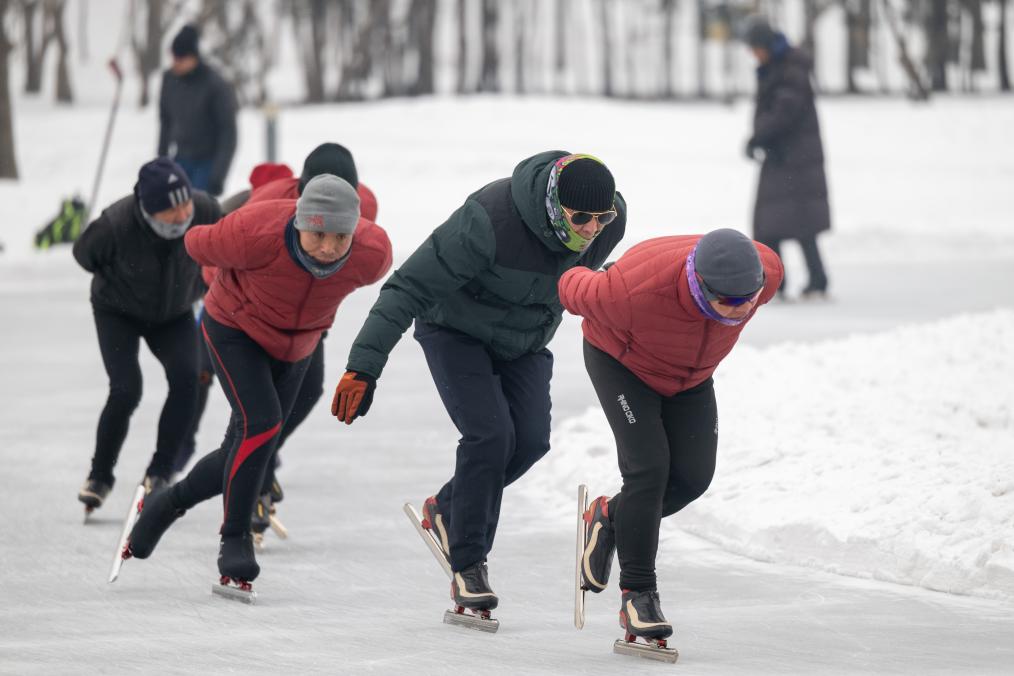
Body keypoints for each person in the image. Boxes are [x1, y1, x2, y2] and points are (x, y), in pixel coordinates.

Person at [332, 151, 626, 614]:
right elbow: (405, 287)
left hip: (525, 342)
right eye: (581, 217)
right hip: (456, 331)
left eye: (601, 216)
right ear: (553, 205)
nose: (593, 228)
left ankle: (447, 509)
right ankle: (468, 563)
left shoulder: (609, 222)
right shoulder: (488, 221)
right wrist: (363, 366)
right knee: (490, 436)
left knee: (529, 442)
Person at [124, 175, 392, 590]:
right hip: (234, 329)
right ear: (301, 223)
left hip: (297, 346)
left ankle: (167, 504)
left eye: (340, 236)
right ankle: (235, 539)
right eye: (317, 233)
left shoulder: (372, 256)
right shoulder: (254, 232)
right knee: (262, 423)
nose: (328, 247)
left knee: (245, 448)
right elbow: (196, 242)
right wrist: (221, 278)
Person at [558, 228, 783, 642]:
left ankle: (609, 518)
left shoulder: (765, 274)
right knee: (649, 470)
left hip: (691, 376)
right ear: (699, 283)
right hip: (622, 363)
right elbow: (571, 286)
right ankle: (638, 596)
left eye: (747, 301)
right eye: (727, 302)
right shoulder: (626, 292)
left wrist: (741, 299)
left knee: (694, 477)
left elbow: (748, 288)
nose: (739, 310)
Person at [176, 143, 380, 534]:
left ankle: (261, 463)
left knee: (311, 390)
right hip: (247, 312)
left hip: (306, 320)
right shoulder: (269, 204)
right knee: (256, 416)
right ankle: (248, 483)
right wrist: (229, 303)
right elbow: (220, 251)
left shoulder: (363, 208)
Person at [72, 158, 222, 512]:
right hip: (117, 312)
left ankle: (160, 471)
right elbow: (84, 255)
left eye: (186, 201)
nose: (184, 212)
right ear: (149, 210)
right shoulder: (115, 224)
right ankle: (100, 476)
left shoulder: (205, 209)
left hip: (173, 313)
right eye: (173, 209)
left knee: (188, 379)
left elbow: (227, 243)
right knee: (126, 389)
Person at [743, 17, 830, 300]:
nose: (753, 54)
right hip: (787, 158)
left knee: (776, 224)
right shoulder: (780, 67)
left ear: (766, 45)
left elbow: (784, 111)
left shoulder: (788, 69)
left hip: (793, 160)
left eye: (755, 47)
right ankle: (803, 281)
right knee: (784, 223)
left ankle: (786, 284)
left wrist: (759, 136)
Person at [158, 24, 237, 197]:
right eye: (174, 58)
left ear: (193, 57)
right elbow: (165, 121)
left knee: (198, 215)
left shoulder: (215, 85)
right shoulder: (170, 80)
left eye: (180, 58)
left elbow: (228, 133)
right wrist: (161, 163)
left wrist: (218, 176)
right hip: (180, 159)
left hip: (207, 163)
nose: (175, 63)